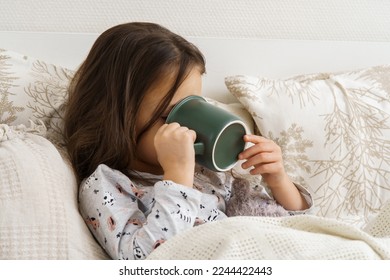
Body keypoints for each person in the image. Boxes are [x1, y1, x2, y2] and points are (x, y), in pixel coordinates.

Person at [64, 22, 312, 260]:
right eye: (169, 114)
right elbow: (146, 260)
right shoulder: (105, 185)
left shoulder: (207, 171)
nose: (190, 127)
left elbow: (286, 227)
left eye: (194, 107)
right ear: (113, 114)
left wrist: (278, 180)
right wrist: (177, 177)